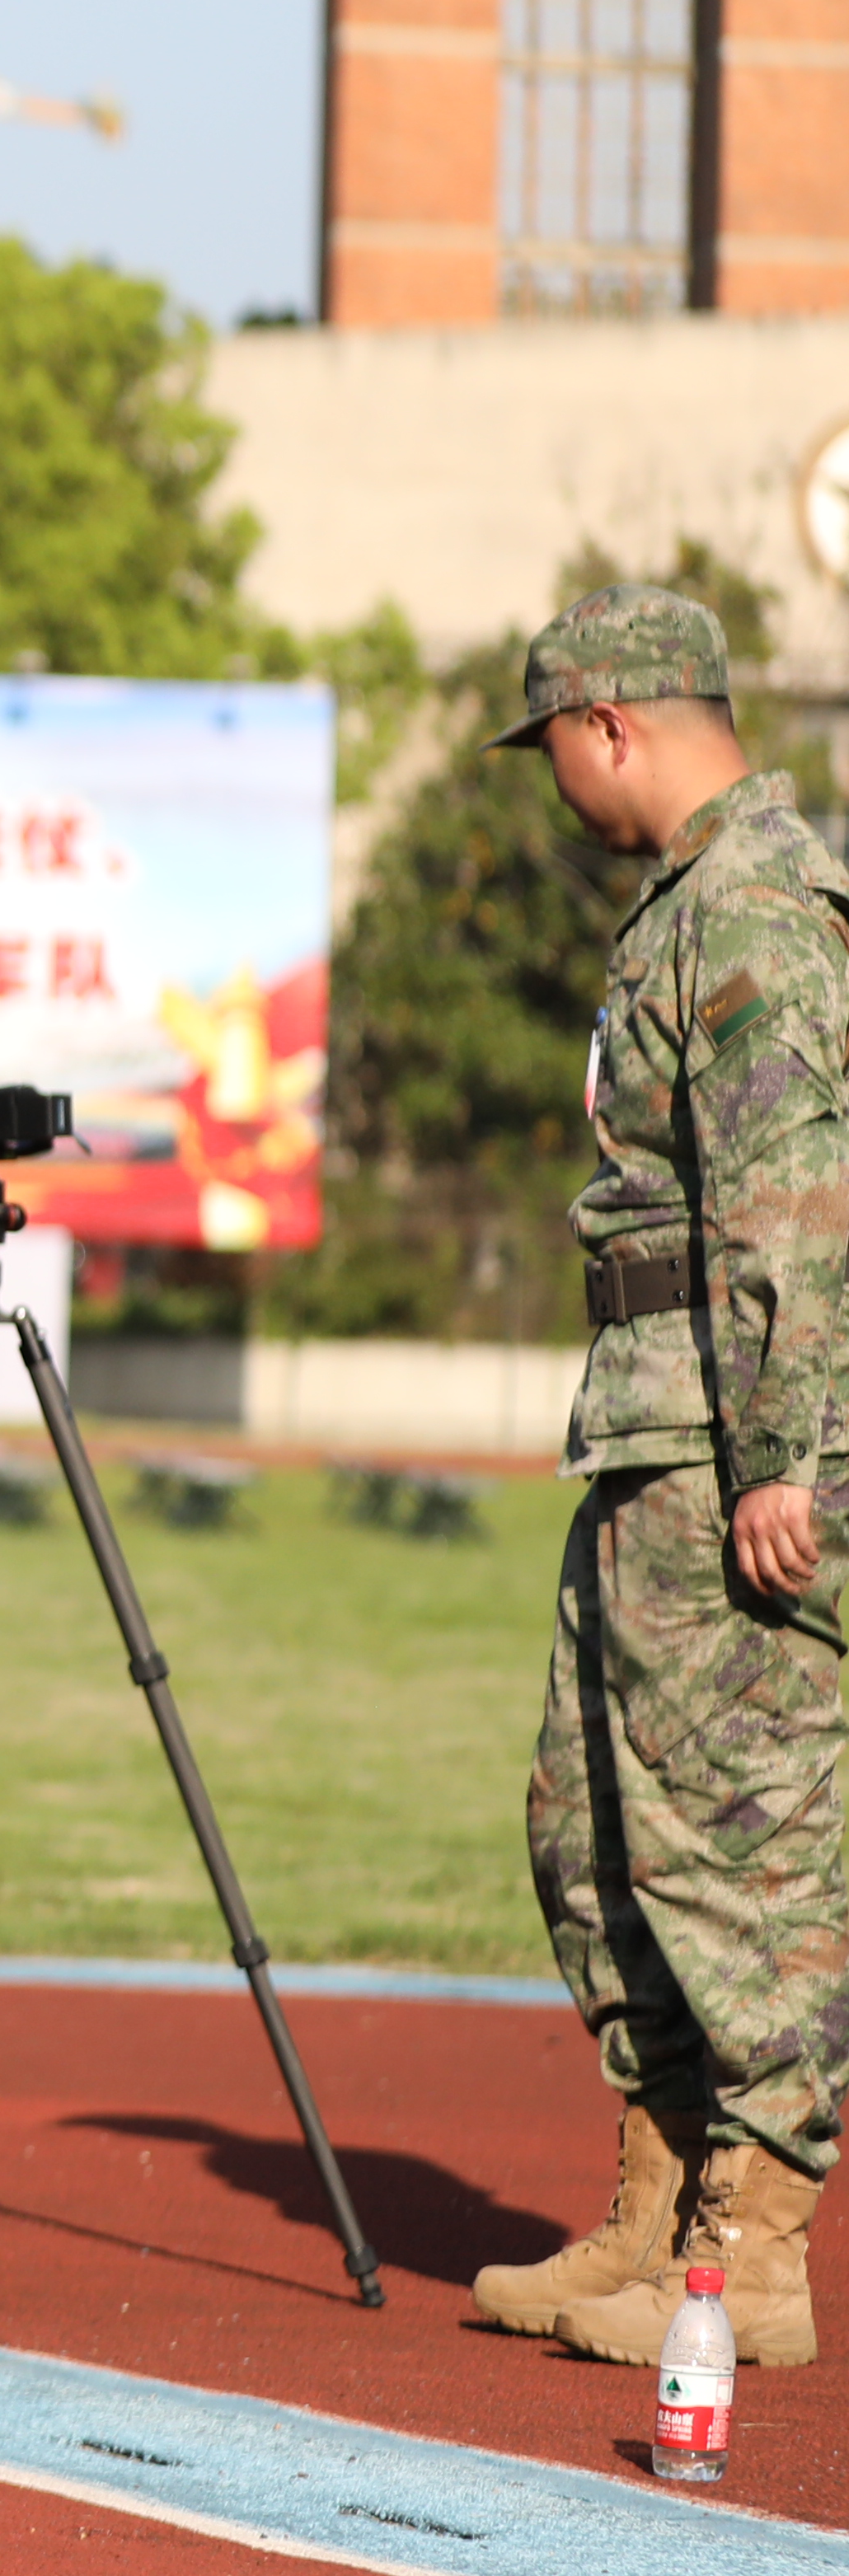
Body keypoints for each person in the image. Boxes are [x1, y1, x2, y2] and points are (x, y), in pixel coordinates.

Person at [468, 583, 849, 2378]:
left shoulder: (761, 903)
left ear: (608, 721)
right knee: (593, 1825)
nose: (549, 775)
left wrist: (790, 1457)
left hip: (729, 1444)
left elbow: (795, 1199)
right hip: (653, 1420)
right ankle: (658, 2197)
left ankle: (750, 2252)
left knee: (741, 1842)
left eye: (549, 740)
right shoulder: (690, 901)